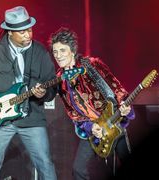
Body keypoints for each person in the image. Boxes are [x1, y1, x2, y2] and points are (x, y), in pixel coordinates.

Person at [0, 6, 57, 180]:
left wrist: (43, 94)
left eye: (30, 30)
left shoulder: (40, 52)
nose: (28, 35)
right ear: (10, 32)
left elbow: (52, 86)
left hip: (32, 118)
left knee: (45, 165)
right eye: (22, 32)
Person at [49, 27, 135, 180]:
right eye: (55, 52)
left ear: (72, 51)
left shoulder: (91, 64)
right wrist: (90, 126)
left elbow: (116, 87)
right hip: (93, 129)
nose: (58, 55)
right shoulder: (60, 78)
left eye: (62, 50)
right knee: (78, 170)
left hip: (113, 121)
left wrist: (124, 106)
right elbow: (72, 112)